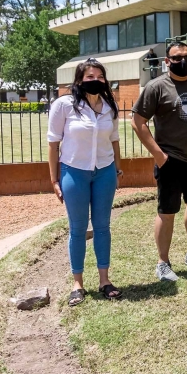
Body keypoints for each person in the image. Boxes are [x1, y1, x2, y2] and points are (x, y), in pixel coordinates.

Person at [131, 41, 187, 282]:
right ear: (167, 61)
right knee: (167, 211)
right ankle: (163, 262)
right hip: (171, 161)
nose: (183, 61)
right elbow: (137, 122)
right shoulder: (156, 87)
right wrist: (159, 156)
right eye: (177, 57)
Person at [47, 58, 123, 306]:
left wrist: (118, 170)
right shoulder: (64, 105)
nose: (95, 81)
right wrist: (54, 179)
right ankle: (77, 284)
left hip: (104, 171)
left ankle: (104, 280)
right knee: (78, 229)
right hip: (73, 172)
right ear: (79, 80)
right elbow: (53, 143)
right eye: (90, 77)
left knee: (102, 227)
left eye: (100, 77)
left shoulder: (109, 106)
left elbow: (114, 139)